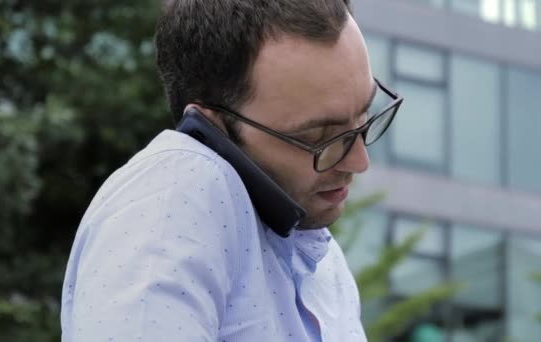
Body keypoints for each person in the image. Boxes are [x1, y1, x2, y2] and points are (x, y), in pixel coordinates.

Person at [61, 0, 403, 341]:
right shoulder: (175, 192)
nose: (360, 162)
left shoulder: (323, 259)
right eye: (316, 137)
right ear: (214, 125)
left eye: (363, 116)